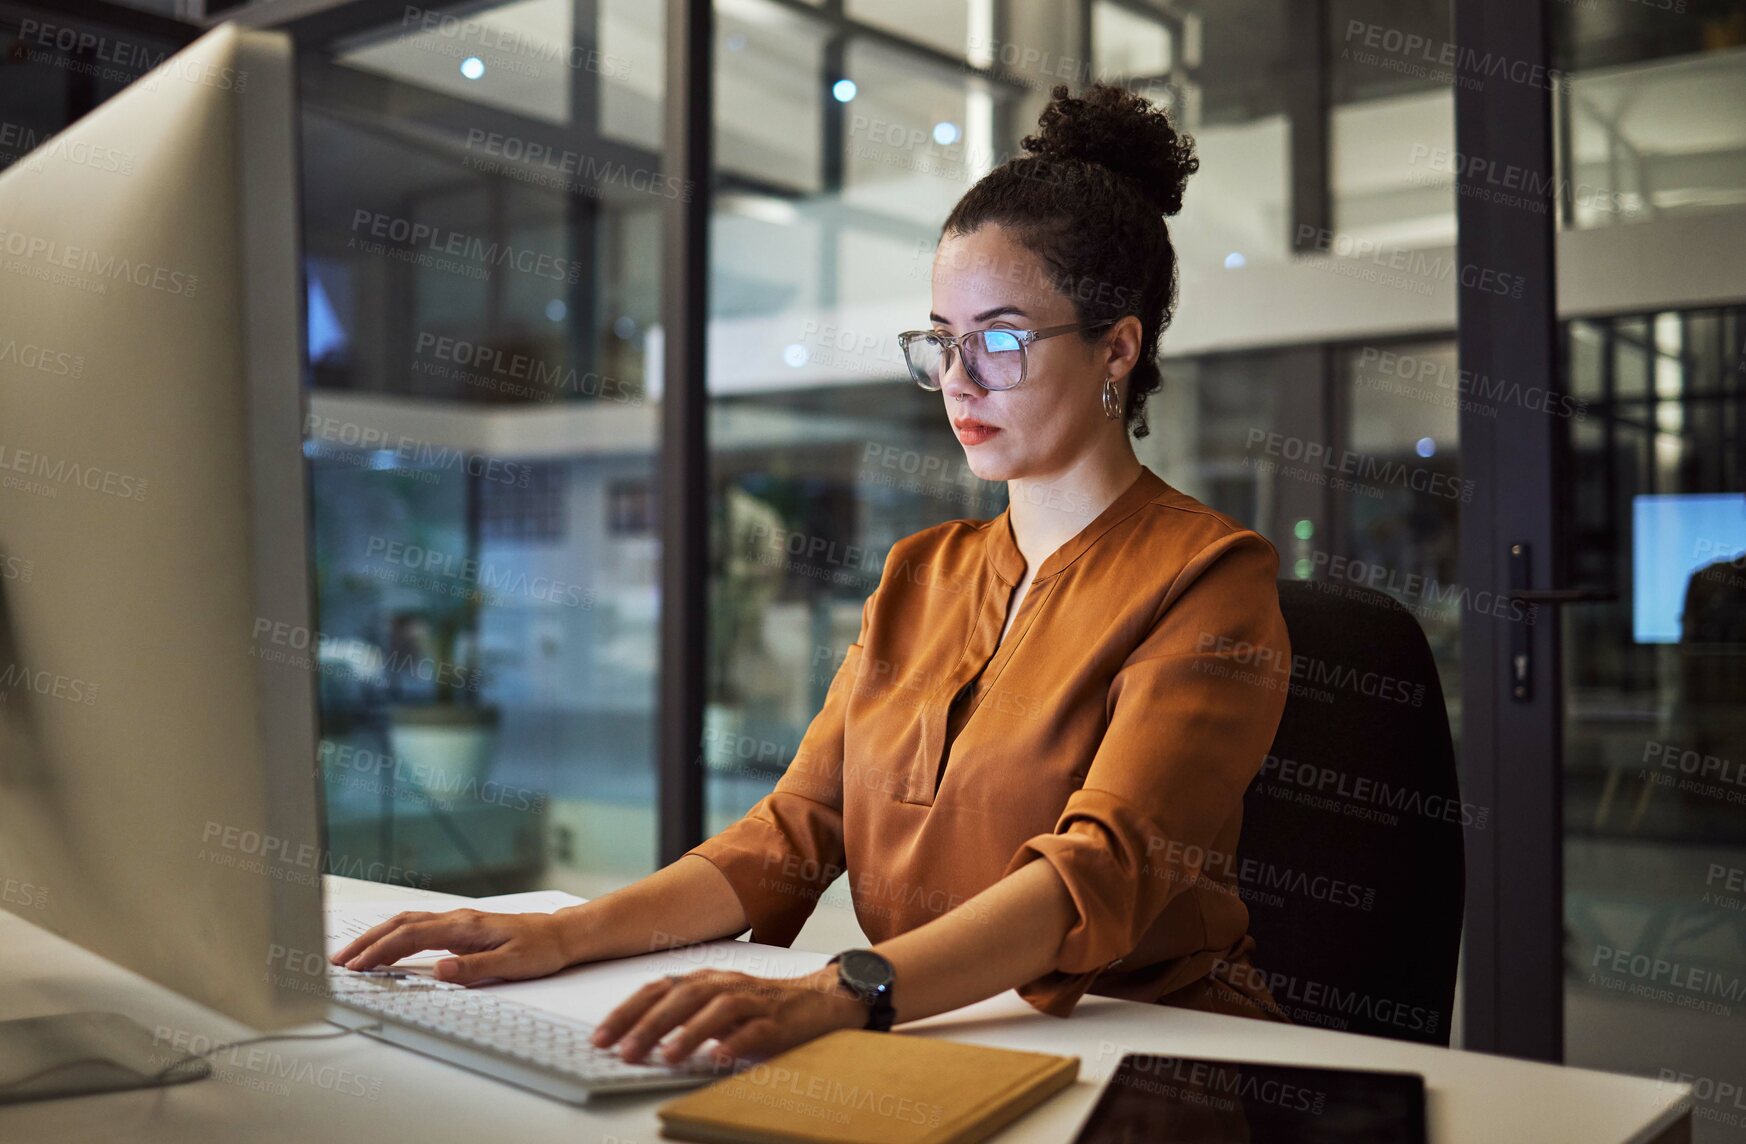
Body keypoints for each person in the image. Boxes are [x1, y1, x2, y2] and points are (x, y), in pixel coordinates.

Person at [333, 83, 1294, 1069]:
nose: (959, 378)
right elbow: (795, 830)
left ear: (1117, 348)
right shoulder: (924, 573)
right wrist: (564, 932)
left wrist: (847, 991)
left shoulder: (1212, 579)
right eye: (942, 341)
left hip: (1152, 1061)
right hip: (937, 1037)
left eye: (1000, 339)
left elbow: (1099, 874)